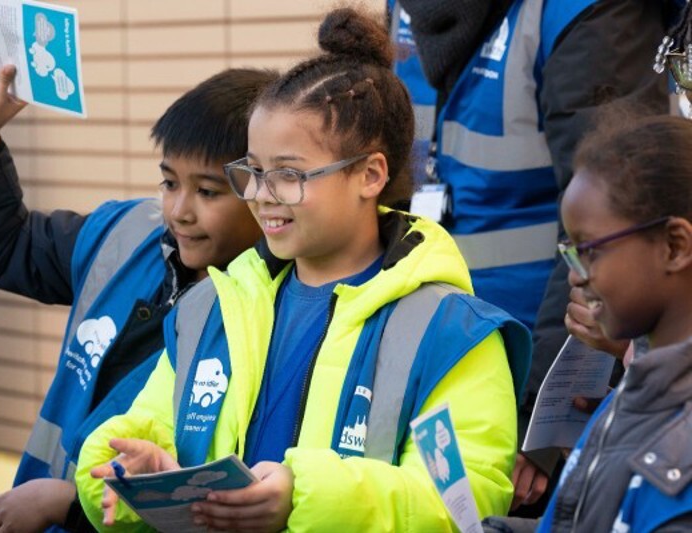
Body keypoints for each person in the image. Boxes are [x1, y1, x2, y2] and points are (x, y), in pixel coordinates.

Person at [75, 7, 531, 531]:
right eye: (253, 172)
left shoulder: (455, 335)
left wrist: (305, 498)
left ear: (370, 174)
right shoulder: (210, 309)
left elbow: (464, 505)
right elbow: (142, 431)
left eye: (289, 175)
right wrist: (133, 477)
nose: (263, 197)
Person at [0, 65, 277, 532]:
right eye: (168, 182)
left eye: (206, 191)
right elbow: (9, 245)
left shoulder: (278, 313)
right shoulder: (124, 232)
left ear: (266, 191)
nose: (179, 211)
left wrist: (69, 505)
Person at [388, 0, 674, 512]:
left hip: (528, 378)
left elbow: (616, 237)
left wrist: (542, 419)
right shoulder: (408, 9)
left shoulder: (584, 14)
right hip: (430, 363)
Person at [486, 108, 692, 533]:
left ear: (674, 246)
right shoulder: (630, 395)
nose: (577, 276)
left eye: (590, 250)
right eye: (570, 253)